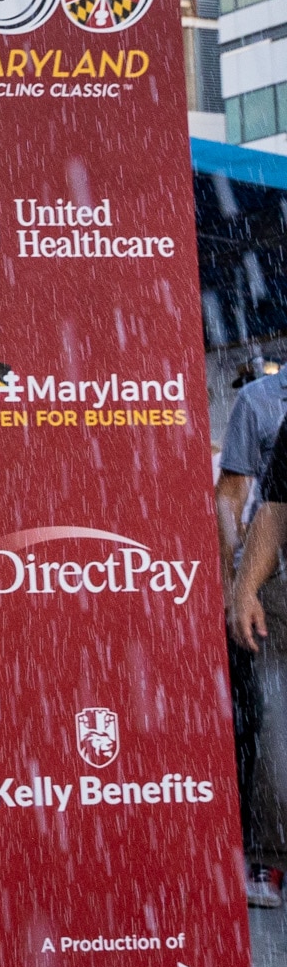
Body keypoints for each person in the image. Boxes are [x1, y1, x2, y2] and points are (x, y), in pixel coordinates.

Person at [218, 361, 287, 910]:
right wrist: (241, 584)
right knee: (270, 721)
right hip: (277, 585)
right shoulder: (261, 403)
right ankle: (267, 859)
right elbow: (252, 502)